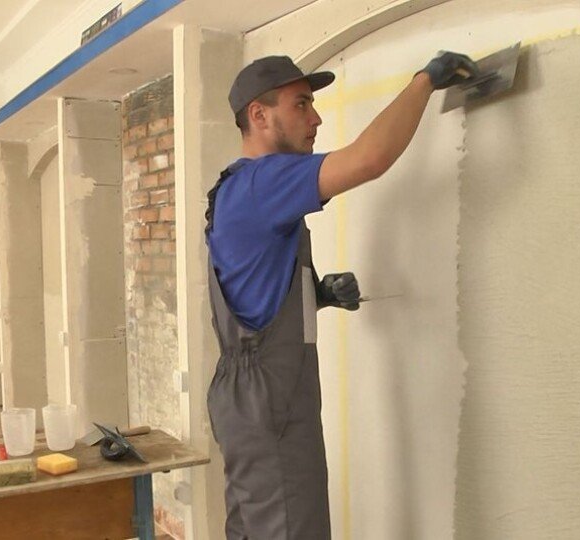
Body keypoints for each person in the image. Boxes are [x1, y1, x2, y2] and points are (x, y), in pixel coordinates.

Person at [205, 51, 478, 540]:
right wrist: (424, 81)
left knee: (252, 530)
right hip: (270, 398)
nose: (316, 118)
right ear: (259, 115)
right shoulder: (263, 181)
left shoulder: (238, 189)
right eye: (301, 104)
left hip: (244, 396)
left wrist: (316, 294)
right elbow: (369, 158)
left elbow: (251, 286)